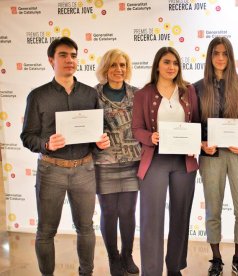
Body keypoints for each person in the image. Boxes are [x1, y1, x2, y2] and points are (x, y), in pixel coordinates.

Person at [20, 37, 110, 276]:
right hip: (51, 171)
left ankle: (86, 273)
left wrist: (101, 142)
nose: (69, 60)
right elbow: (27, 136)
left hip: (84, 170)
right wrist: (46, 143)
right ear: (51, 60)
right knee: (46, 231)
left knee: (86, 228)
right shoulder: (38, 96)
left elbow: (99, 132)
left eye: (73, 55)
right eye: (63, 55)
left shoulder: (91, 94)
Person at [132, 46, 200, 276]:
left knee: (180, 216)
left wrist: (200, 140)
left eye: (175, 63)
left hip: (184, 162)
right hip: (155, 160)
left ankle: (174, 268)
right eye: (166, 62)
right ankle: (151, 271)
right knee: (152, 218)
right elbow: (136, 129)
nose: (171, 67)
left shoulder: (188, 91)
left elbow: (197, 123)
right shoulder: (143, 93)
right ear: (157, 65)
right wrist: (149, 137)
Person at [193, 36, 238, 276]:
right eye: (216, 53)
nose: (220, 58)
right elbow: (194, 123)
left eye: (225, 53)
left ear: (230, 56)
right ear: (210, 57)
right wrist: (202, 145)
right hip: (211, 156)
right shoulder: (197, 87)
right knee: (213, 210)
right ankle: (216, 259)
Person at [94, 49, 141, 276]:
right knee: (109, 211)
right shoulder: (92, 95)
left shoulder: (137, 94)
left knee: (128, 211)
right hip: (105, 163)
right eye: (113, 65)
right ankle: (113, 258)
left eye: (122, 65)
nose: (118, 69)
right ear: (105, 68)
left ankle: (127, 254)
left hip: (133, 161)